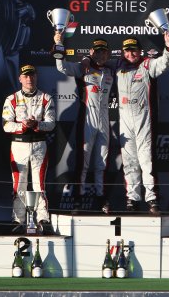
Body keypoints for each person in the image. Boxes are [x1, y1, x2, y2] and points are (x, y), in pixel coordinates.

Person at [96, 34, 169, 214]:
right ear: (122, 52)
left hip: (144, 120)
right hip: (125, 120)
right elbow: (98, 62)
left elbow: (166, 62)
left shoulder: (148, 64)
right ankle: (132, 198)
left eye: (134, 50)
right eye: (127, 51)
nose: (130, 54)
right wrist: (87, 58)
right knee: (129, 161)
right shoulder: (117, 65)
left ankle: (152, 199)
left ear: (140, 51)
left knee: (147, 160)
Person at [54, 36, 114, 214]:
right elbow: (62, 67)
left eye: (103, 52)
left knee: (102, 162)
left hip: (104, 119)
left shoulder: (111, 70)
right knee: (83, 161)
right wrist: (59, 44)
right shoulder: (83, 68)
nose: (100, 55)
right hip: (87, 119)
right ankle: (78, 199)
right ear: (91, 52)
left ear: (108, 54)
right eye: (97, 52)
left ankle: (101, 198)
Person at [2, 64, 56, 234]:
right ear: (20, 78)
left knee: (40, 183)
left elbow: (51, 124)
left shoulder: (46, 98)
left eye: (32, 75)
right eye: (25, 76)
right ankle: (18, 220)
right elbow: (6, 125)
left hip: (39, 145)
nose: (29, 79)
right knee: (19, 184)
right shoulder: (11, 99)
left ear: (36, 76)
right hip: (19, 145)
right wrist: (24, 126)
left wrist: (36, 124)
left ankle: (43, 219)